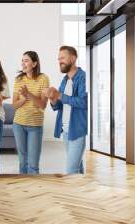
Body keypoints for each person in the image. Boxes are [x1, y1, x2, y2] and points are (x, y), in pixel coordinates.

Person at [44, 46, 87, 174]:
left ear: (73, 58)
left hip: (77, 131)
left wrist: (59, 95)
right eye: (58, 59)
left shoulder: (83, 77)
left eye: (62, 58)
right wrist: (52, 98)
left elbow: (84, 102)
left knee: (71, 170)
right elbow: (58, 106)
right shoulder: (65, 80)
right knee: (77, 167)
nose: (60, 61)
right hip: (66, 131)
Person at [12, 51, 49, 174]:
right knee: (23, 162)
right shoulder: (19, 79)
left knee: (33, 165)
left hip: (35, 126)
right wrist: (23, 99)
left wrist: (28, 94)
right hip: (19, 124)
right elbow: (14, 105)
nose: (23, 63)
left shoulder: (43, 79)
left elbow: (43, 105)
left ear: (34, 63)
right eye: (22, 60)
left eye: (26, 60)